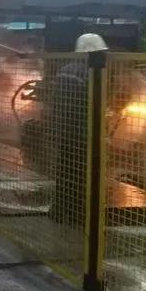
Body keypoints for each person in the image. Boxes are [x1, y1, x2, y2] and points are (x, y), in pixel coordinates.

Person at [48, 33, 107, 225]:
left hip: (63, 130)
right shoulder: (90, 73)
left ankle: (59, 211)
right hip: (83, 133)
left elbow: (55, 101)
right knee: (82, 174)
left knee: (64, 171)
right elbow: (94, 102)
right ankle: (78, 215)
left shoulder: (64, 70)